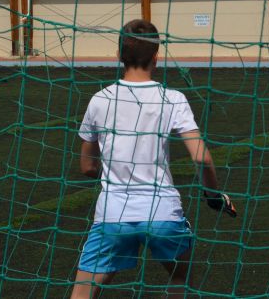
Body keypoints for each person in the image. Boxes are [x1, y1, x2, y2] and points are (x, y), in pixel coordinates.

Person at [72, 19, 236, 299]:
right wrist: (213, 196)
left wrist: (114, 173)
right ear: (156, 57)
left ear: (118, 54)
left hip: (113, 214)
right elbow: (202, 158)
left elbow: (87, 165)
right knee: (181, 278)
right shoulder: (173, 98)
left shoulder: (100, 99)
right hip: (162, 213)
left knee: (83, 293)